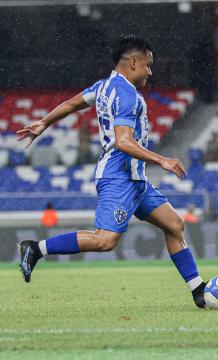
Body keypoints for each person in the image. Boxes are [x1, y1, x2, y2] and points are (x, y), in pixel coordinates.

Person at [16, 35, 207, 308]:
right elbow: (123, 141)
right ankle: (36, 248)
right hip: (118, 177)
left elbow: (71, 104)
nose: (150, 72)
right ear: (133, 62)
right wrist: (161, 160)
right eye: (147, 65)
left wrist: (43, 123)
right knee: (105, 241)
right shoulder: (128, 95)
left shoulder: (104, 86)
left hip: (135, 179)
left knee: (175, 224)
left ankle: (198, 291)